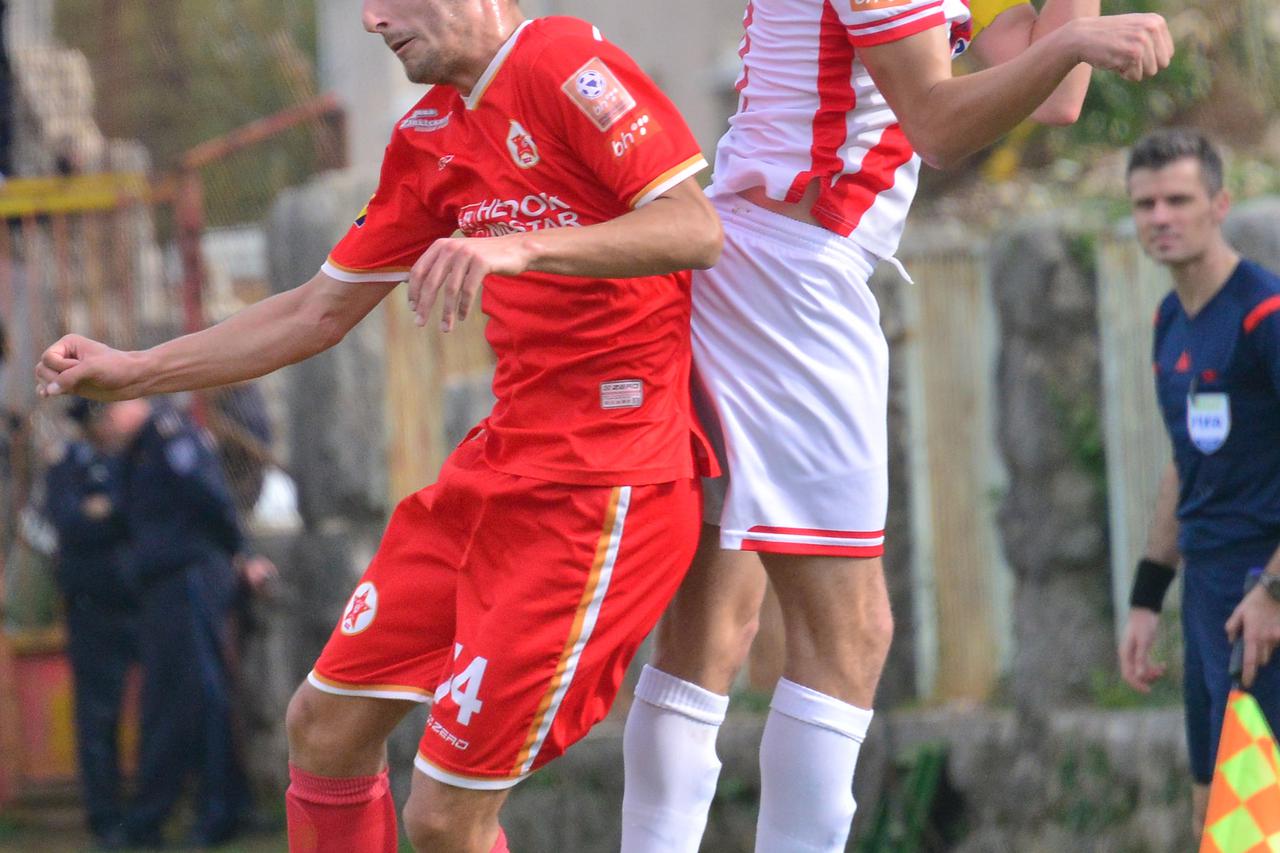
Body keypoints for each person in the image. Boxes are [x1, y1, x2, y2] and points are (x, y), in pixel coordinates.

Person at [35, 1, 722, 850]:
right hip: (496, 473)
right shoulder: (431, 131)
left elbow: (695, 227)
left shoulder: (559, 61)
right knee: (322, 727)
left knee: (443, 818)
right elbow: (317, 311)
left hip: (604, 488)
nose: (370, 19)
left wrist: (520, 249)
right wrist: (135, 369)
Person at [618, 2, 1174, 851]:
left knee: (716, 618)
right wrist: (1069, 41)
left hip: (765, 257)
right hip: (790, 273)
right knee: (852, 631)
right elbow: (939, 124)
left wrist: (1069, 35)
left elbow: (1054, 94)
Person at [1117, 128, 1280, 841]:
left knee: (1251, 825)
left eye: (1178, 199)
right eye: (1146, 203)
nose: (1160, 216)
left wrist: (1274, 590)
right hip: (1206, 595)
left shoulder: (1264, 315)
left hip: (1260, 601)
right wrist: (1149, 596)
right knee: (1206, 803)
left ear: (1219, 204)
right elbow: (1184, 461)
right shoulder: (1169, 322)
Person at [84, 397, 264, 848]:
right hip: (165, 586)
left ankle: (217, 811)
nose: (106, 428)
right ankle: (189, 812)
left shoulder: (169, 436)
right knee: (174, 697)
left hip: (189, 579)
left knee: (198, 695)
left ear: (128, 404)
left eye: (107, 416)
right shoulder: (141, 446)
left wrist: (242, 552)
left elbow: (212, 498)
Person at [44, 399, 137, 850]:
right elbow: (69, 522)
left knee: (158, 704)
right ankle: (106, 818)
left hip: (134, 599)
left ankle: (148, 809)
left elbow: (131, 514)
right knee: (98, 714)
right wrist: (105, 515)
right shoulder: (67, 463)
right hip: (91, 606)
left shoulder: (127, 459)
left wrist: (106, 510)